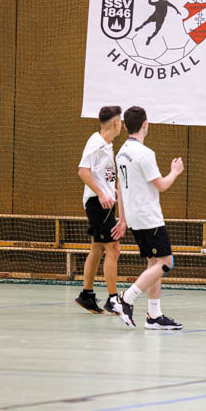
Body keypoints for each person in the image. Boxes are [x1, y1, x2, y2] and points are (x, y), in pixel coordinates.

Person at [111, 106, 185, 330]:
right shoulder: (145, 153)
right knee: (166, 263)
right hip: (148, 216)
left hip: (134, 216)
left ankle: (154, 316)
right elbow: (161, 185)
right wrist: (175, 171)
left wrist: (122, 219)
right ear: (145, 124)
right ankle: (126, 298)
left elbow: (120, 187)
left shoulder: (121, 152)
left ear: (125, 126)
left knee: (154, 263)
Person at [75, 105, 127, 315]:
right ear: (115, 123)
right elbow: (83, 171)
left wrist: (109, 189)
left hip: (103, 201)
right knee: (114, 248)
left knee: (97, 248)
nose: (122, 125)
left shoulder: (107, 144)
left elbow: (99, 173)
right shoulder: (96, 143)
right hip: (98, 204)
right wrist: (101, 193)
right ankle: (113, 300)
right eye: (120, 121)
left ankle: (87, 295)